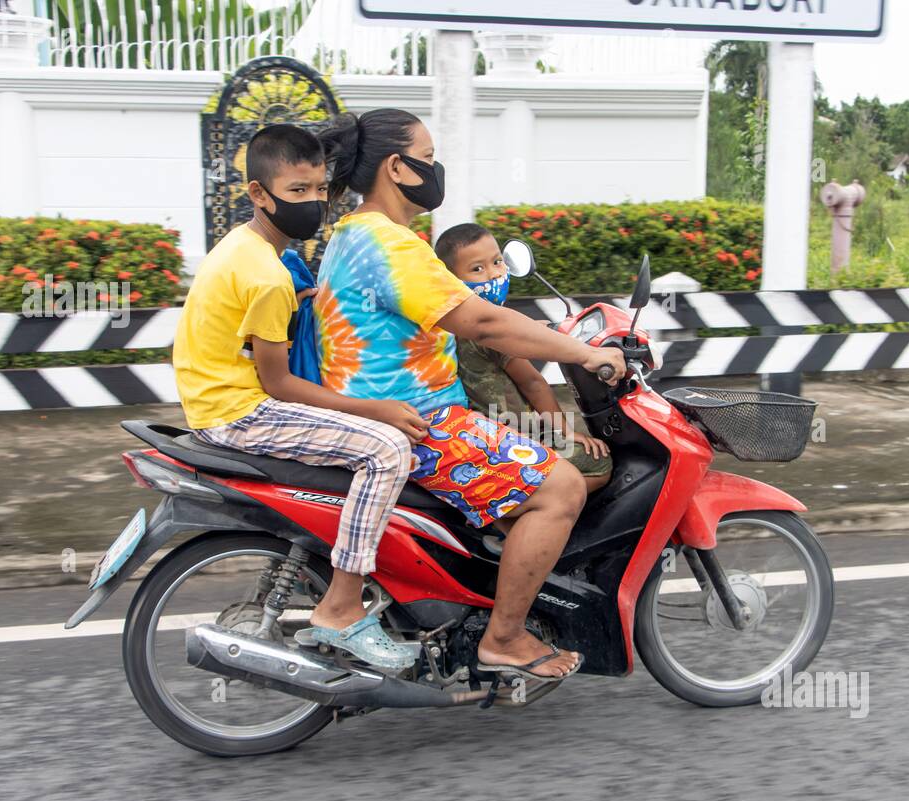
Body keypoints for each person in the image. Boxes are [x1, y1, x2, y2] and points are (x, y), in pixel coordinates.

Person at [315, 108, 627, 683]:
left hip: (390, 411)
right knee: (559, 487)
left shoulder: (352, 234)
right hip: (422, 422)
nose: (435, 170)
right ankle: (503, 639)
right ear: (396, 167)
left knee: (526, 456)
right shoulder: (393, 246)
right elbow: (485, 323)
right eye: (428, 159)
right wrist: (583, 353)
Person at [171, 123, 428, 672]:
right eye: (296, 192)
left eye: (317, 190)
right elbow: (279, 384)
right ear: (258, 194)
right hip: (239, 413)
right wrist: (378, 408)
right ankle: (342, 608)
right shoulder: (266, 275)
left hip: (215, 397)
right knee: (386, 450)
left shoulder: (247, 248)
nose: (312, 203)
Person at [434, 222, 612, 493]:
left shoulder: (453, 325)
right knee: (600, 464)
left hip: (485, 435)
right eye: (477, 269)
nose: (493, 274)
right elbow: (533, 384)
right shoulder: (490, 330)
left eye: (497, 262)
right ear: (451, 280)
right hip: (515, 439)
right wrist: (565, 433)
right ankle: (537, 514)